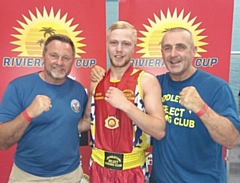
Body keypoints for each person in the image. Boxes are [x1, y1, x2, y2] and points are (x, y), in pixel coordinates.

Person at [91, 27, 240, 183]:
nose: (173, 54)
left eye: (181, 47)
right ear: (162, 53)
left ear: (194, 50)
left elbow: (231, 140)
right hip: (160, 179)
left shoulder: (216, 87)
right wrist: (98, 74)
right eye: (167, 48)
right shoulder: (156, 83)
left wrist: (201, 109)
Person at [80, 21, 166, 183]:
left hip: (132, 171)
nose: (119, 49)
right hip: (98, 169)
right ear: (107, 44)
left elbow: (159, 131)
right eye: (114, 43)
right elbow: (86, 122)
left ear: (134, 47)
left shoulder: (146, 81)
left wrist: (126, 105)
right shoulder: (96, 81)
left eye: (125, 44)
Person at [0, 34, 88, 183]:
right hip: (28, 176)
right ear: (43, 56)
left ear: (72, 61)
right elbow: (2, 142)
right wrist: (29, 113)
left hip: (70, 175)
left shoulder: (78, 90)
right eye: (54, 55)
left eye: (66, 58)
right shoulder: (18, 87)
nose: (59, 62)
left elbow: (82, 124)